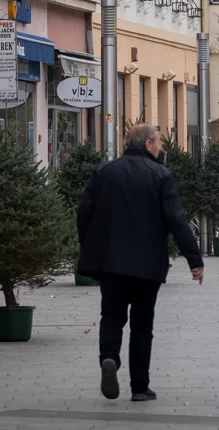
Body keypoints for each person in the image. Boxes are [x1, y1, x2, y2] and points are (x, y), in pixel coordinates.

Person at [77, 123, 204, 402]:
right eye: (158, 143)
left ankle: (109, 357)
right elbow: (177, 220)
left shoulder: (104, 172)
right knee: (142, 324)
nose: (160, 148)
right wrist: (194, 260)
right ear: (148, 144)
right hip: (147, 264)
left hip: (110, 263)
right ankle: (139, 387)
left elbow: (84, 212)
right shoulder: (161, 175)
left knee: (111, 315)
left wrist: (90, 246)